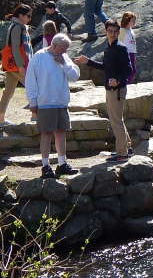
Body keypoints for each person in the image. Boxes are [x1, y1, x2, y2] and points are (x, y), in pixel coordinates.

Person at [75, 19, 132, 163]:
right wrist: (88, 61)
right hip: (111, 89)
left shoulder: (121, 48)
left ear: (118, 32)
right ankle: (127, 148)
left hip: (117, 90)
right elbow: (105, 67)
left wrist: (118, 80)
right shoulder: (109, 48)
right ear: (105, 32)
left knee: (116, 121)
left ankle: (122, 154)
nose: (112, 34)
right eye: (110, 31)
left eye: (115, 31)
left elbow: (129, 70)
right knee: (118, 120)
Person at [25, 34, 80, 178]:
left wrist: (64, 63)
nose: (65, 52)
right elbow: (31, 80)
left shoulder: (64, 57)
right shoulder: (39, 57)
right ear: (54, 45)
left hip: (61, 102)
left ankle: (62, 164)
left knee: (61, 132)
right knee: (46, 134)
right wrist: (33, 102)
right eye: (63, 49)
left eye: (66, 49)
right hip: (45, 102)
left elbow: (75, 76)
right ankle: (45, 166)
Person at [0, 4, 36, 125]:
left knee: (8, 92)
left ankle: (0, 119)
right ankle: (35, 116)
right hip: (17, 65)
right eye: (28, 16)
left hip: (10, 64)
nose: (30, 18)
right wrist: (21, 66)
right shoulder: (17, 27)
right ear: (20, 15)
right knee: (34, 88)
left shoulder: (17, 26)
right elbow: (15, 48)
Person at [118, 12, 138, 84]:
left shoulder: (130, 30)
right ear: (127, 20)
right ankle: (124, 84)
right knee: (130, 71)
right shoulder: (122, 30)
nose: (134, 22)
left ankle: (126, 84)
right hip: (126, 53)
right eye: (133, 20)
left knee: (133, 71)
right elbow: (119, 43)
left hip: (132, 53)